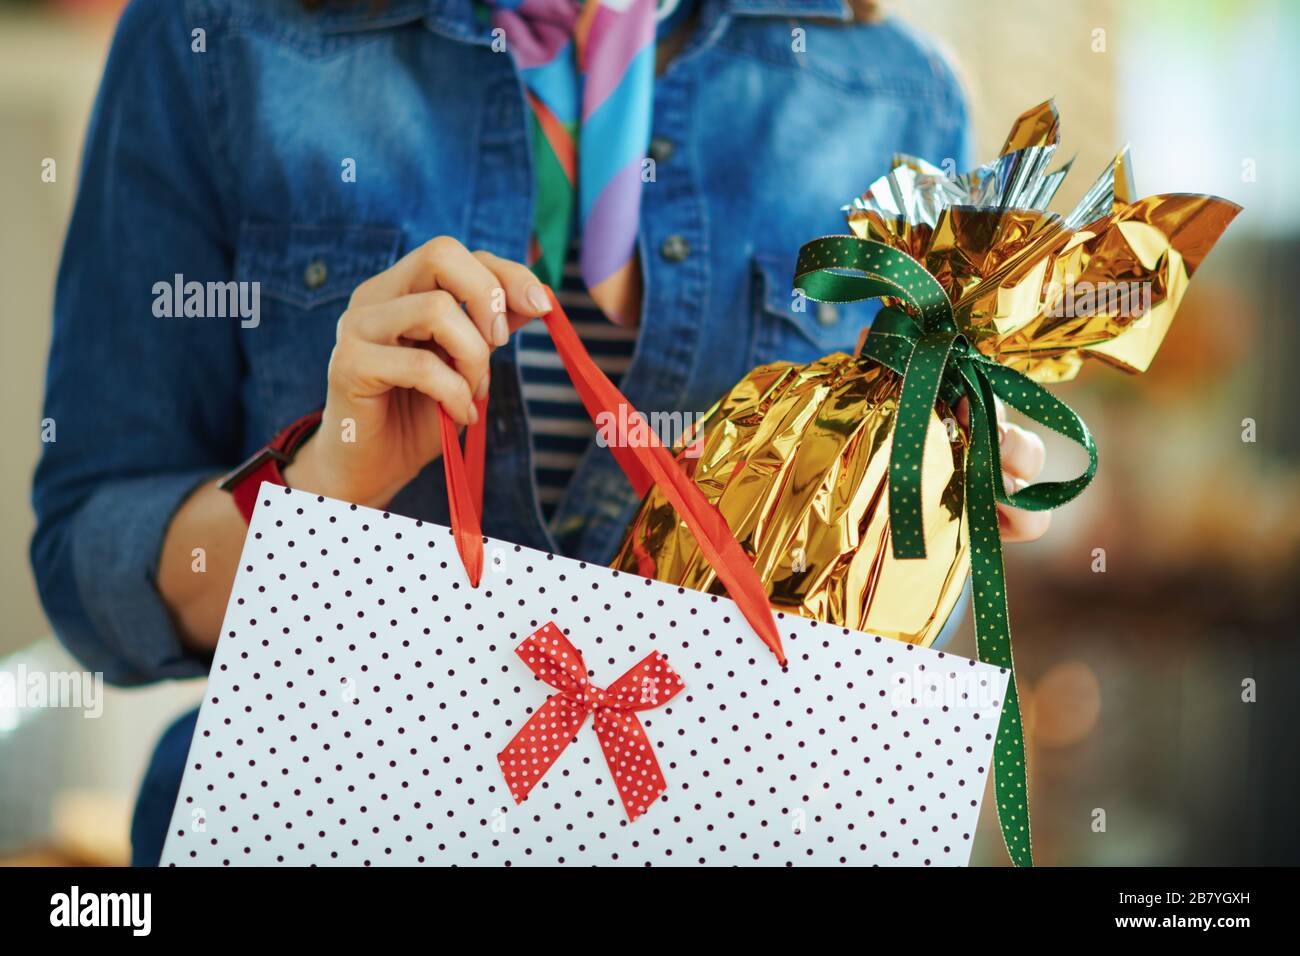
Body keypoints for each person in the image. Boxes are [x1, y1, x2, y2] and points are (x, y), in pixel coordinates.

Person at [31, 0, 1049, 866]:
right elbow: (89, 566)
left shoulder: (892, 91)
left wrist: (923, 504)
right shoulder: (212, 33)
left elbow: (873, 653)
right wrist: (319, 484)